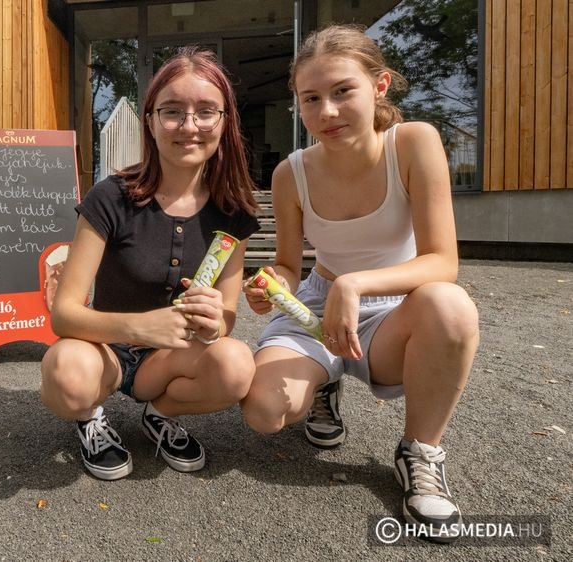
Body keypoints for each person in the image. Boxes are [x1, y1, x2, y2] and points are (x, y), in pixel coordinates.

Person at [241, 24, 479, 541]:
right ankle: (325, 381)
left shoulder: (413, 143)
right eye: (311, 99)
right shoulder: (291, 173)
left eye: (342, 91)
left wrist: (356, 285)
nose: (326, 112)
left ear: (379, 85)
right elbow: (287, 263)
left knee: (451, 306)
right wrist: (270, 286)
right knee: (263, 410)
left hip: (395, 309)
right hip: (316, 306)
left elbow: (443, 261)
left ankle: (419, 451)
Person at [40, 46, 260, 481]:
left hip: (171, 359)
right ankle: (89, 418)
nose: (189, 126)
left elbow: (227, 320)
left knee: (236, 366)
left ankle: (158, 414)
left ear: (225, 121)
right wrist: (140, 328)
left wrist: (214, 322)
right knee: (67, 373)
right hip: (102, 350)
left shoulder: (233, 213)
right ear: (151, 120)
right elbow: (64, 315)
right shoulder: (111, 197)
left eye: (206, 112)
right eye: (173, 111)